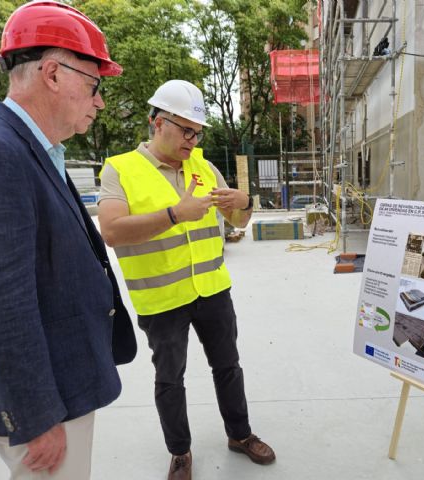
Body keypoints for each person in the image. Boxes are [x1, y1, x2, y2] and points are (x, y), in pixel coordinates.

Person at [98, 79, 275, 480]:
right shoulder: (120, 169)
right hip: (162, 298)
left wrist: (246, 202)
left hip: (212, 291)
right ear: (157, 122)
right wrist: (175, 214)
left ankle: (240, 434)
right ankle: (179, 452)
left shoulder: (204, 167)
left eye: (198, 133)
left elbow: (238, 221)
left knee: (228, 366)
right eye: (186, 131)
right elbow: (112, 231)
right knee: (169, 380)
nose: (193, 141)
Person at [0, 2, 136, 479]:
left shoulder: (33, 148)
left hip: (61, 380)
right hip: (44, 403)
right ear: (52, 73)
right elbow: (3, 300)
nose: (99, 102)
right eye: (94, 85)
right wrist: (35, 415)